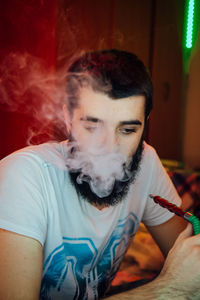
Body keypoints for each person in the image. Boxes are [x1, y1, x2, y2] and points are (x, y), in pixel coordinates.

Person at [0, 49, 199, 300]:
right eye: (92, 126)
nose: (109, 149)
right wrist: (167, 288)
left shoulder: (146, 162)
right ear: (67, 118)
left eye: (127, 130)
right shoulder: (22, 176)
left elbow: (191, 263)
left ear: (145, 124)